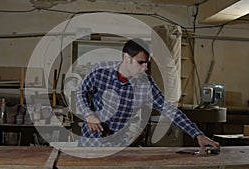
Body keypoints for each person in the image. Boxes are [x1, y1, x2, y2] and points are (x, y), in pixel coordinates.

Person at [76, 38, 220, 152]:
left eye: (147, 64)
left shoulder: (146, 85)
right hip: (92, 138)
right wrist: (88, 114)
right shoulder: (101, 71)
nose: (144, 68)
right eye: (141, 63)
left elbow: (169, 110)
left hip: (118, 143)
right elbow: (81, 92)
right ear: (127, 57)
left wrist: (197, 134)